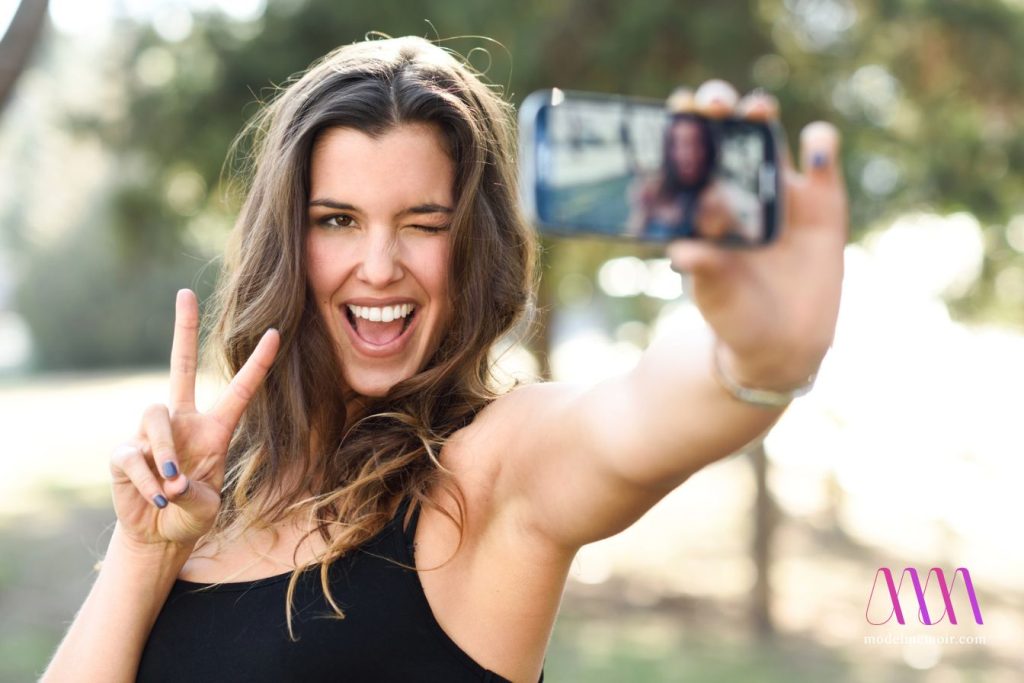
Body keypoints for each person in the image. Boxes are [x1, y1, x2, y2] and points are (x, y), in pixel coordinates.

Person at [42, 35, 846, 683]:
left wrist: (762, 349)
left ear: (471, 245)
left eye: (423, 223)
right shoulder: (215, 488)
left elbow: (634, 420)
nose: (382, 265)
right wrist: (144, 549)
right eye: (337, 221)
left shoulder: (489, 468)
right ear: (287, 239)